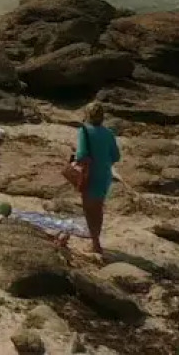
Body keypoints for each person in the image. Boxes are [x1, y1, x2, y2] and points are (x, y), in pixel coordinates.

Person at [74, 102, 121, 258]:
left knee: (89, 210)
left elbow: (81, 155)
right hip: (104, 175)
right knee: (98, 209)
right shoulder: (109, 133)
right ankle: (96, 241)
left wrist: (76, 159)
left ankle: (95, 244)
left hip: (90, 175)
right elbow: (116, 156)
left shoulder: (84, 131)